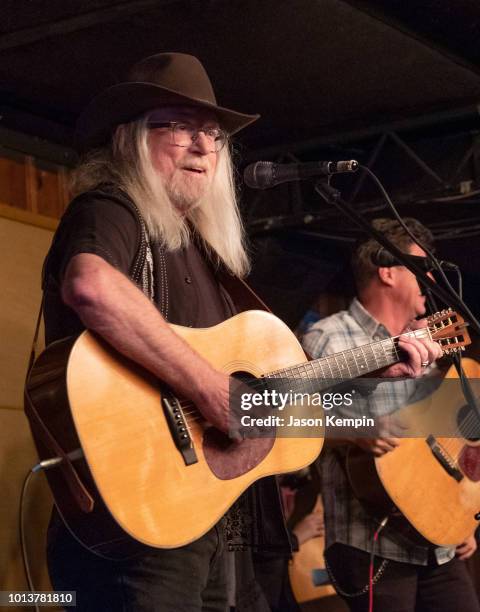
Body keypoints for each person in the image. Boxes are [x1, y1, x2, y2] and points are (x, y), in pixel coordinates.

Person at [38, 52, 444, 611]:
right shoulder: (112, 208)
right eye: (180, 126)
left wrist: (370, 366)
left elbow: (259, 400)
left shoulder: (205, 253)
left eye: (213, 134)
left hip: (209, 518)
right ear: (128, 136)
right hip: (138, 526)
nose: (204, 145)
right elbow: (91, 286)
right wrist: (209, 388)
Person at [302, 218, 479, 612]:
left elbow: (455, 439)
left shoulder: (433, 339)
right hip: (373, 542)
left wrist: (462, 516)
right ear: (388, 272)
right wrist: (357, 429)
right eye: (420, 267)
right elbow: (292, 422)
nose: (431, 277)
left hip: (440, 545)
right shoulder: (330, 337)